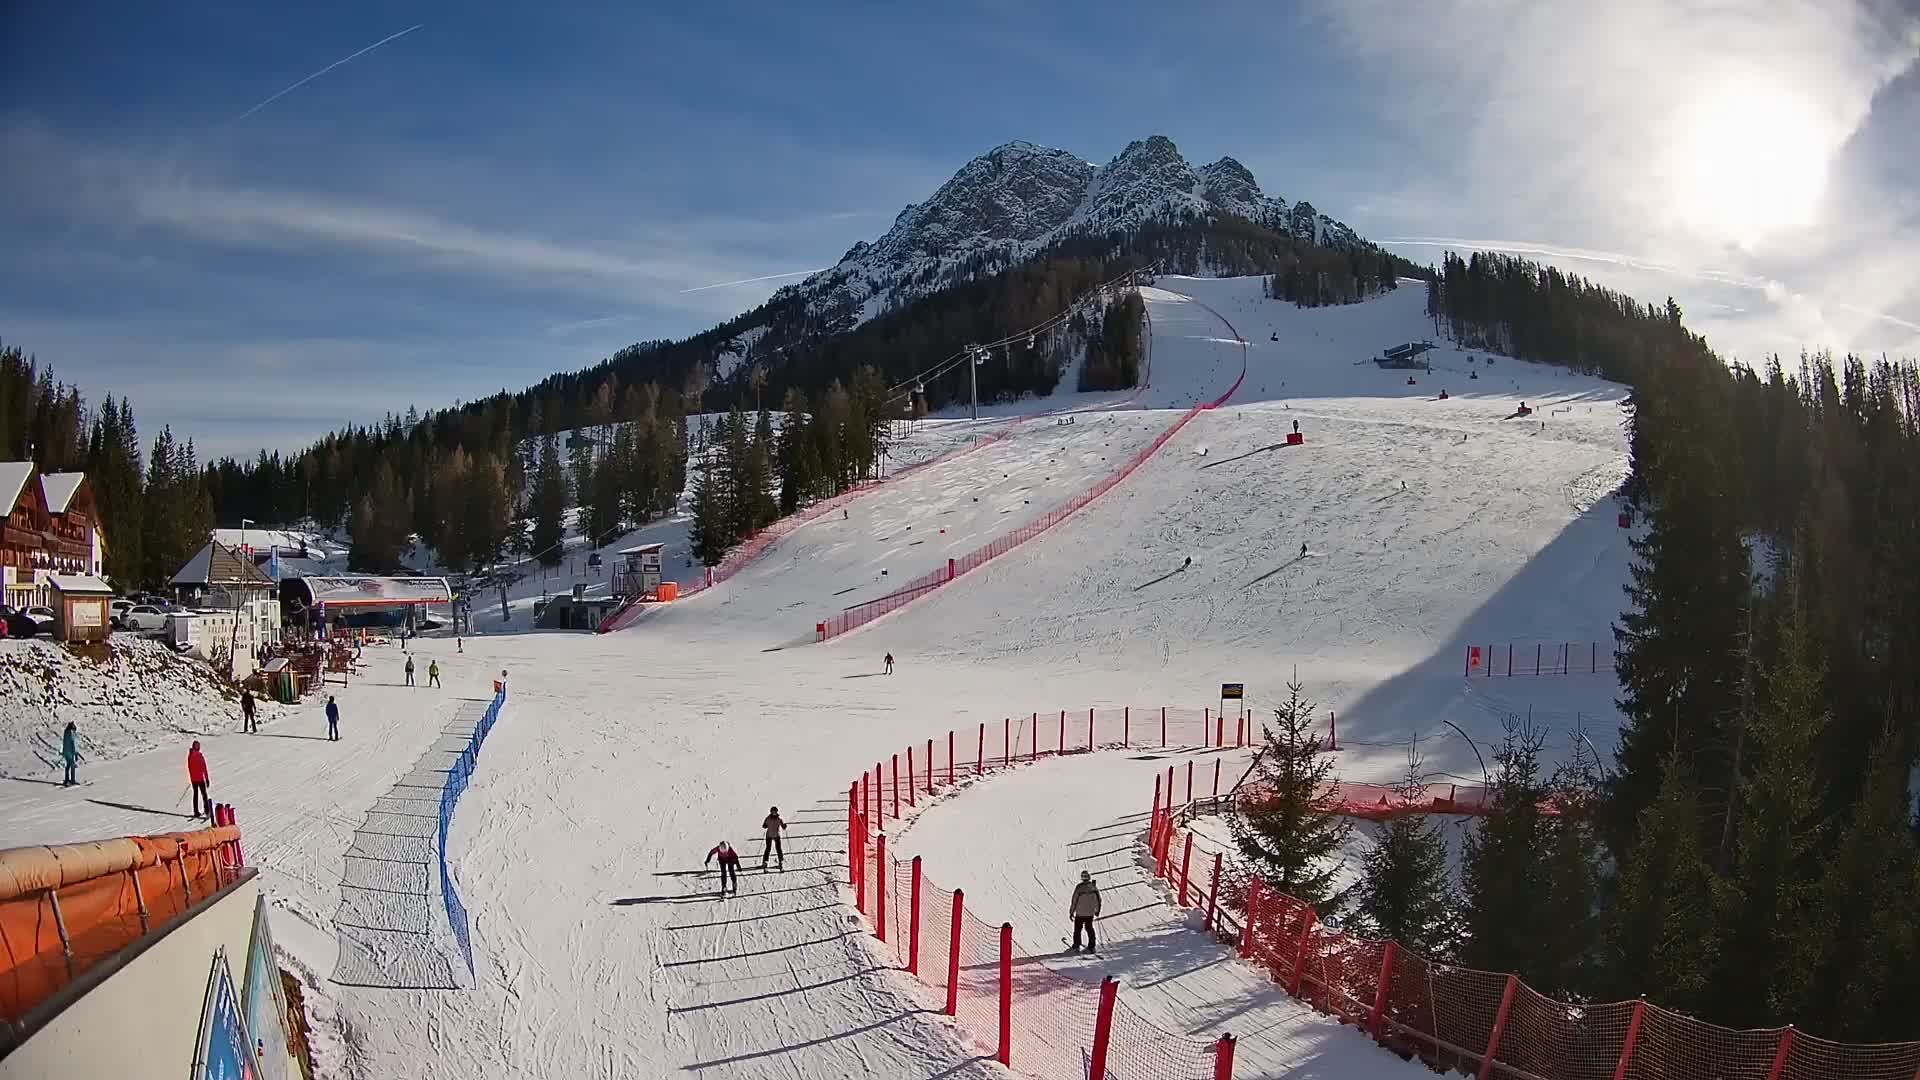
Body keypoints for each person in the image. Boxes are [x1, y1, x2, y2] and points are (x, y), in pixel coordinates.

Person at [1069, 870, 1102, 953]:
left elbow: (1074, 900)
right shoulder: (1094, 888)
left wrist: (1071, 912)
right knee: (1089, 928)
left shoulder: (1079, 887)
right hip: (1089, 913)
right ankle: (1092, 946)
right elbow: (1098, 900)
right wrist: (1097, 910)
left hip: (1080, 913)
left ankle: (1076, 945)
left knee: (1077, 929)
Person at [187, 741, 212, 819]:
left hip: (194, 779)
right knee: (204, 794)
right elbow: (204, 768)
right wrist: (206, 778)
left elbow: (189, 768)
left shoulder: (190, 756)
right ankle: (207, 810)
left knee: (196, 795)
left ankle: (196, 811)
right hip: (200, 779)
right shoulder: (199, 756)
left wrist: (191, 777)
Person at [61, 722, 79, 787]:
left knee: (68, 765)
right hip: (71, 752)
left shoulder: (66, 732)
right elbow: (74, 743)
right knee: (72, 765)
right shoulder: (72, 733)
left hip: (66, 751)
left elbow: (64, 743)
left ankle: (66, 779)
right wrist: (76, 753)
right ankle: (72, 780)